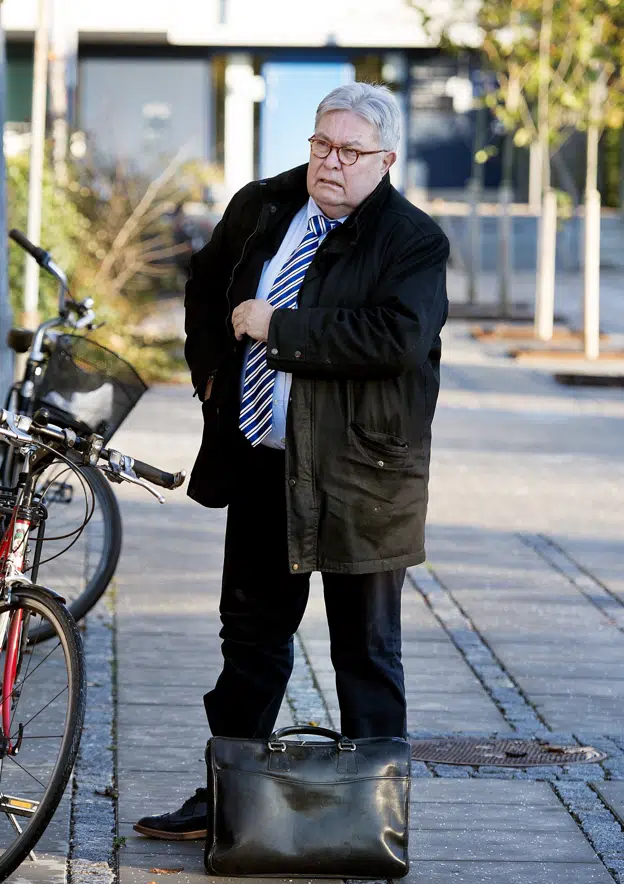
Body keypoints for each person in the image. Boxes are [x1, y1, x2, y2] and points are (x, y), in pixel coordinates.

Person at [134, 82, 449, 842]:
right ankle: (224, 798)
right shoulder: (264, 207)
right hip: (262, 465)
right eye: (320, 146)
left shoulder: (413, 241)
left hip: (361, 478)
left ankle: (373, 822)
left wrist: (282, 327)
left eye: (349, 152)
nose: (329, 163)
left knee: (365, 652)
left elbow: (393, 340)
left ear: (386, 160)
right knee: (248, 641)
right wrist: (214, 375)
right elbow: (206, 288)